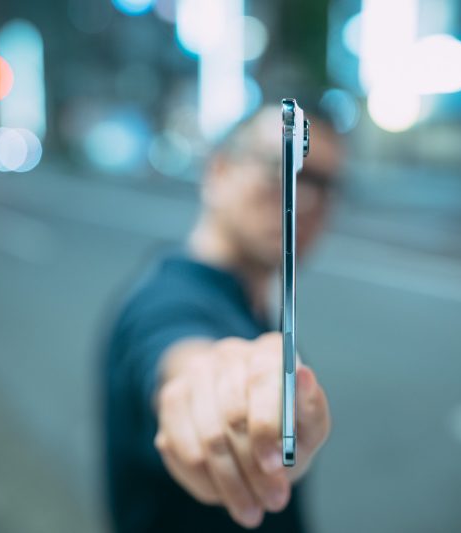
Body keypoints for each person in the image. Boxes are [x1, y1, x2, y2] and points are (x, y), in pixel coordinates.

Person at [101, 104, 343, 532]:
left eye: (323, 184)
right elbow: (180, 351)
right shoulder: (165, 300)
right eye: (281, 167)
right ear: (218, 172)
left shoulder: (251, 302)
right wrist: (215, 389)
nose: (304, 199)